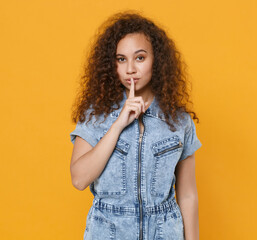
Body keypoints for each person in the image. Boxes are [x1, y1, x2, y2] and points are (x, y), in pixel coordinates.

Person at [69, 11, 202, 240]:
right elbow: (79, 179)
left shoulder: (178, 121)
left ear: (156, 60)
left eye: (140, 58)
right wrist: (119, 123)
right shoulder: (97, 115)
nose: (130, 68)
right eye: (121, 59)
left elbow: (188, 195)